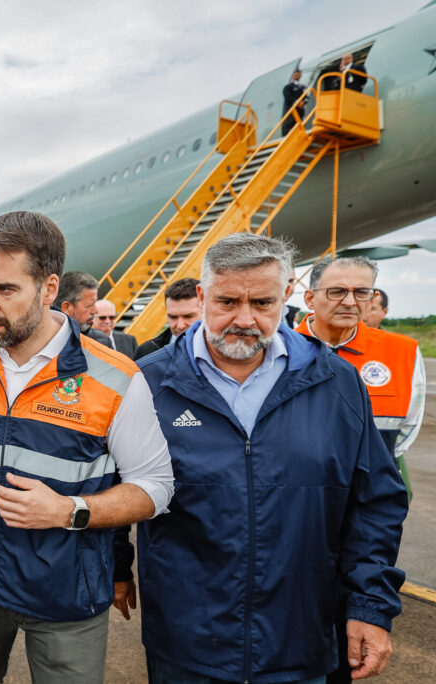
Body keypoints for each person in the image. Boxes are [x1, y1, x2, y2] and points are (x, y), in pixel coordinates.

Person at [122, 234, 407, 683]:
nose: (245, 318)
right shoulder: (149, 381)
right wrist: (119, 568)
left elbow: (375, 503)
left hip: (302, 638)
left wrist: (370, 606)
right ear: (202, 296)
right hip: (188, 642)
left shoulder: (336, 381)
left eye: (262, 302)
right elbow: (121, 484)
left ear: (287, 295)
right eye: (228, 301)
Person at [0, 211, 173, 684]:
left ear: (49, 290)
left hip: (67, 593)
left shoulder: (115, 377)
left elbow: (157, 487)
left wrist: (70, 510)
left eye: (5, 290)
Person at [296, 258, 423, 498]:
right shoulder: (278, 351)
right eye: (337, 292)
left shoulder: (402, 351)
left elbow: (406, 429)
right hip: (296, 490)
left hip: (370, 491)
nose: (350, 302)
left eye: (361, 292)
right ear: (310, 299)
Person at [134, 278, 201, 360]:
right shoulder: (146, 353)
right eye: (173, 317)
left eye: (188, 316)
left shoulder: (220, 350)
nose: (180, 325)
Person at [282, 68, 307, 135]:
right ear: (293, 75)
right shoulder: (288, 87)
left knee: (298, 126)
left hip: (299, 113)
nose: (297, 75)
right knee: (288, 127)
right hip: (290, 113)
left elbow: (306, 97)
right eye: (295, 74)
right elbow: (287, 96)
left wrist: (303, 102)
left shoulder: (303, 87)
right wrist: (297, 102)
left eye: (299, 74)